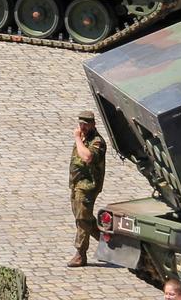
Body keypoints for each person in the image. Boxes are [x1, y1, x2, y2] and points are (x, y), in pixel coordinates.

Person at [68, 110, 108, 267]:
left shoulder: (97, 142)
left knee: (82, 220)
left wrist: (78, 138)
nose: (82, 127)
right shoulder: (83, 138)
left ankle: (80, 254)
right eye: (81, 124)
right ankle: (109, 243)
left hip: (88, 187)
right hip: (76, 185)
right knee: (83, 217)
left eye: (86, 124)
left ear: (93, 124)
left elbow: (87, 157)